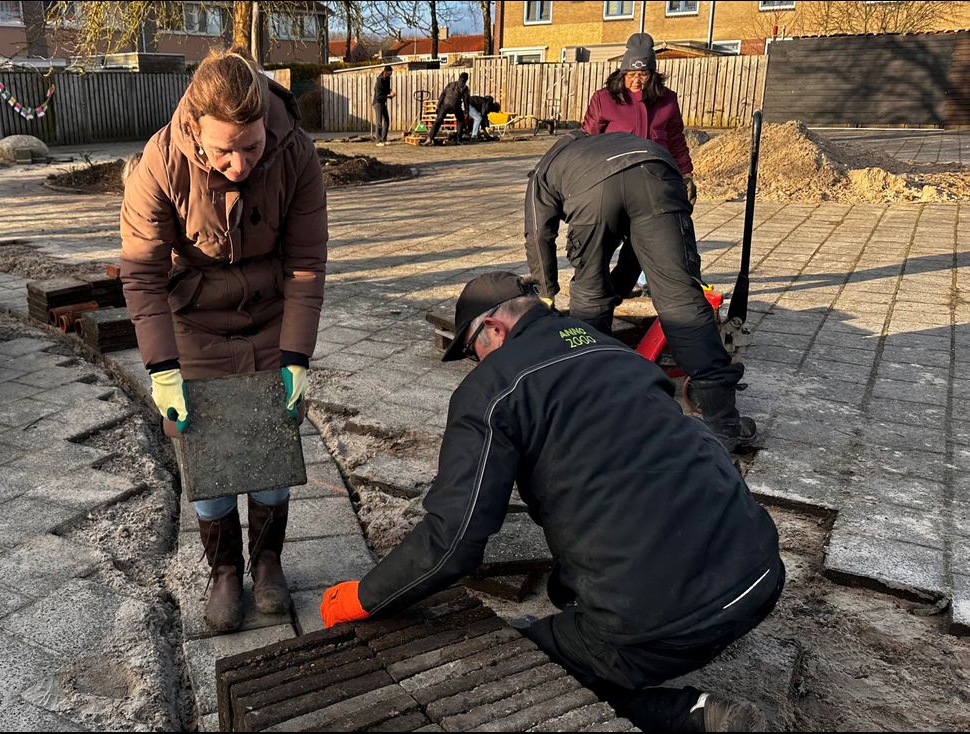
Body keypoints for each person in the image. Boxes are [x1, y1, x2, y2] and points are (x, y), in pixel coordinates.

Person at [319, 272, 784, 733]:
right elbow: (629, 478)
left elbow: (454, 541)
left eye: (470, 350)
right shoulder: (614, 350)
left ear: (495, 329)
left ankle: (691, 716)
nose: (473, 364)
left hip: (660, 623)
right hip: (759, 573)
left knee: (510, 675)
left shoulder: (492, 390)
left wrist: (366, 597)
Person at [120, 48, 328, 634]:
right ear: (195, 129)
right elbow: (141, 273)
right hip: (195, 325)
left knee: (271, 448)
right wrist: (163, 369)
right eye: (223, 151)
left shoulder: (297, 154)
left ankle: (267, 564)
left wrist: (296, 355)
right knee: (206, 453)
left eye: (252, 147)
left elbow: (308, 262)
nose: (239, 164)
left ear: (267, 123)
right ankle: (224, 571)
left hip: (270, 318)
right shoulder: (159, 165)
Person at [524, 130, 755, 450]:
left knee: (589, 291)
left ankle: (590, 410)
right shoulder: (607, 141)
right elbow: (638, 243)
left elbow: (538, 235)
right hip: (657, 169)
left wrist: (547, 292)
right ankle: (723, 423)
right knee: (680, 297)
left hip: (594, 192)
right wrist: (618, 288)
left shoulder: (545, 170)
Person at [582, 33, 695, 299]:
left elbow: (676, 140)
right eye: (631, 74)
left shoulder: (667, 101)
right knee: (603, 241)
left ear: (652, 74)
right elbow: (586, 141)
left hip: (652, 186)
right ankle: (590, 288)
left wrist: (686, 174)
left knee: (643, 242)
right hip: (611, 184)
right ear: (622, 72)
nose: (636, 80)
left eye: (642, 74)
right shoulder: (604, 99)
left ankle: (621, 289)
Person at [422, 72, 469, 145]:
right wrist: (466, 112)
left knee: (438, 121)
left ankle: (429, 138)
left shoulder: (450, 84)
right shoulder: (465, 87)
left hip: (445, 105)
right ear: (466, 79)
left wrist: (438, 107)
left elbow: (442, 95)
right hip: (455, 106)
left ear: (459, 77)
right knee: (461, 121)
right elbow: (466, 101)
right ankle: (458, 140)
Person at [372, 65, 396, 146]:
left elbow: (387, 89)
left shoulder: (387, 79)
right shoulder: (380, 80)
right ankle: (378, 141)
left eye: (391, 74)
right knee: (379, 122)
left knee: (387, 120)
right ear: (385, 72)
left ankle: (384, 139)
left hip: (383, 102)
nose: (390, 75)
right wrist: (388, 96)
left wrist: (391, 92)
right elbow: (378, 96)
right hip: (377, 103)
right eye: (389, 73)